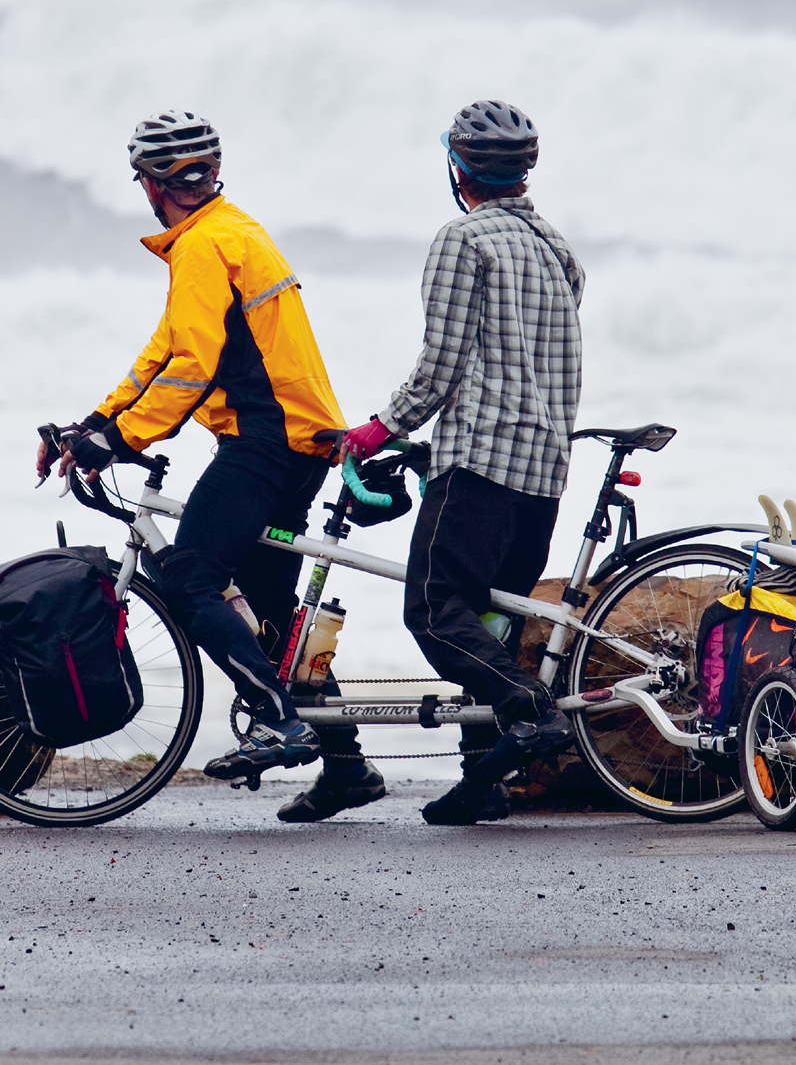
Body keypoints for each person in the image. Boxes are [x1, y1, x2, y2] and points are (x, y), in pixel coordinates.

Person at [38, 111, 388, 820]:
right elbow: (163, 351)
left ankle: (274, 717)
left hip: (264, 442)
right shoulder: (234, 229)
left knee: (190, 574)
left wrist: (124, 439)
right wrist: (98, 424)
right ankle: (346, 767)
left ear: (151, 184)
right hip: (302, 442)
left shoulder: (203, 247)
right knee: (270, 617)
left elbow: (189, 368)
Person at [340, 99, 585, 825]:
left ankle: (528, 709)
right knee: (491, 620)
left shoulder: (461, 239)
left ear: (458, 168)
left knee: (433, 608)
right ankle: (482, 779)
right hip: (542, 469)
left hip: (479, 458)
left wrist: (381, 427)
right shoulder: (557, 248)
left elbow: (442, 362)